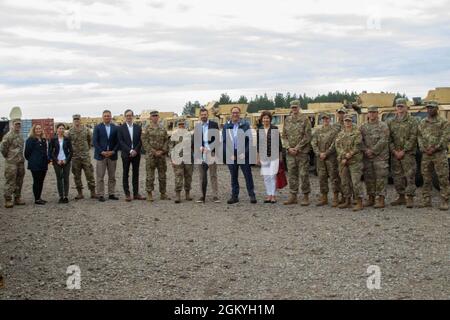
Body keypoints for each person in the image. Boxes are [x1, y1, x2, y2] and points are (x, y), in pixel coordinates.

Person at [417, 101, 450, 210]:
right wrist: (423, 148)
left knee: (443, 178)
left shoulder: (443, 122)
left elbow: (446, 137)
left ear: (437, 109)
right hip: (426, 154)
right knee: (426, 178)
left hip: (439, 154)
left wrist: (435, 148)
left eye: (432, 108)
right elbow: (419, 137)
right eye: (428, 108)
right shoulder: (423, 122)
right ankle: (426, 200)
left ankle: (445, 201)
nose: (430, 110)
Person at [222, 106, 257, 204]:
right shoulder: (226, 126)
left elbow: (249, 141)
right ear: (231, 114)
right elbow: (224, 142)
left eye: (237, 112)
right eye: (233, 112)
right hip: (231, 155)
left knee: (248, 175)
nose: (235, 114)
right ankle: (234, 196)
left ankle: (252, 195)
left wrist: (244, 153)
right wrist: (230, 154)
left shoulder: (245, 125)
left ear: (240, 114)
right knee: (234, 176)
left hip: (243, 155)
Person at [387, 98, 418, 208]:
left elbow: (413, 137)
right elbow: (388, 138)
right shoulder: (390, 121)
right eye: (398, 106)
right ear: (396, 107)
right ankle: (401, 196)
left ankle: (409, 197)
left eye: (402, 106)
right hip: (395, 154)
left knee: (410, 175)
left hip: (407, 154)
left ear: (406, 107)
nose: (400, 108)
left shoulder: (413, 121)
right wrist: (394, 151)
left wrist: (404, 150)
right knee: (397, 176)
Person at [281, 100, 312, 206]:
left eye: (296, 107)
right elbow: (284, 136)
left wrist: (297, 148)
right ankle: (293, 196)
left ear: (299, 107)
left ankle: (305, 196)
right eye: (292, 107)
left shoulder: (305, 119)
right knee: (292, 174)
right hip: (290, 153)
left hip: (302, 152)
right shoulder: (287, 120)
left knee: (304, 174)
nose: (294, 109)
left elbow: (307, 136)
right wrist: (289, 147)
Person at [360, 106, 390, 208]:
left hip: (380, 157)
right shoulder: (363, 126)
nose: (372, 114)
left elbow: (384, 140)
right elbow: (360, 140)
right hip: (367, 157)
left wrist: (372, 151)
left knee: (381, 177)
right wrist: (366, 150)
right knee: (369, 178)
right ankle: (371, 198)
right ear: (367, 114)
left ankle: (381, 200)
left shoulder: (383, 126)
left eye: (374, 112)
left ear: (377, 113)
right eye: (370, 112)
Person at [335, 114, 364, 211]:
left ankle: (359, 202)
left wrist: (349, 155)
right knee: (344, 182)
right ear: (343, 122)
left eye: (349, 121)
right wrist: (344, 156)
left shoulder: (357, 133)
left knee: (356, 182)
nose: (347, 122)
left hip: (354, 161)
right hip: (343, 161)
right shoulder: (341, 133)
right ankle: (347, 200)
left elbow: (357, 146)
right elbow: (337, 146)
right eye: (345, 121)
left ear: (352, 121)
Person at [311, 113, 340, 207]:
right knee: (322, 177)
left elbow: (335, 143)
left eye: (327, 119)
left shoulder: (334, 131)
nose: (325, 120)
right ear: (321, 120)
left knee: (334, 177)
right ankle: (324, 197)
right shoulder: (318, 131)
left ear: (330, 120)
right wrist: (319, 153)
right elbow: (313, 143)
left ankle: (336, 197)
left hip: (331, 157)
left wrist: (326, 153)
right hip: (320, 158)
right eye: (323, 119)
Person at [118, 109, 146, 202]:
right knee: (125, 174)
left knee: (135, 174)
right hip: (126, 154)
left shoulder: (138, 127)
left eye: (130, 115)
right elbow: (121, 142)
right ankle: (127, 194)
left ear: (133, 116)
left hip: (136, 154)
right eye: (127, 115)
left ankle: (136, 193)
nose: (129, 117)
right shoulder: (121, 128)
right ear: (125, 117)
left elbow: (140, 141)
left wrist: (135, 150)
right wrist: (130, 150)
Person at [142, 110, 170, 201]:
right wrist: (153, 151)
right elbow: (144, 141)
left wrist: (162, 151)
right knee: (150, 176)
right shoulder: (146, 128)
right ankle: (149, 193)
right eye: (153, 116)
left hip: (161, 155)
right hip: (151, 156)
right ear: (150, 118)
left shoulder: (163, 128)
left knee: (162, 176)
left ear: (158, 117)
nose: (154, 117)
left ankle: (163, 193)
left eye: (156, 115)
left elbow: (167, 140)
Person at [194, 107, 220, 203]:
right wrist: (199, 147)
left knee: (213, 175)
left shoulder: (214, 125)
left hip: (211, 153)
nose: (204, 116)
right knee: (201, 175)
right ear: (200, 116)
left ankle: (215, 196)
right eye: (202, 115)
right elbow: (195, 140)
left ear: (208, 115)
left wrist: (209, 149)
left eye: (205, 114)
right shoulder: (197, 126)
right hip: (200, 154)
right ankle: (202, 196)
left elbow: (217, 139)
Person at [68, 114, 96, 200]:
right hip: (75, 157)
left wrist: (87, 148)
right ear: (73, 120)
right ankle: (80, 193)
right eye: (75, 119)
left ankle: (93, 192)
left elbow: (91, 140)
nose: (76, 121)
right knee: (77, 175)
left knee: (89, 174)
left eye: (78, 119)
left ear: (80, 120)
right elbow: (68, 143)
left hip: (85, 156)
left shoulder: (86, 130)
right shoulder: (70, 131)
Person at [93, 110, 119, 202]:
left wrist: (113, 151)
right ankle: (100, 194)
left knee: (112, 176)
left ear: (111, 117)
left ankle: (111, 193)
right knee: (100, 177)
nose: (107, 117)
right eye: (105, 116)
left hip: (112, 155)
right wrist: (101, 152)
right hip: (101, 156)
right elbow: (95, 142)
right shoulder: (97, 127)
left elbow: (118, 141)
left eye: (108, 116)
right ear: (102, 117)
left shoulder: (115, 128)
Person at [256, 111, 282, 203]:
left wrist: (280, 157)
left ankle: (273, 195)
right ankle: (268, 195)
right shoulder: (259, 130)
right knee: (266, 176)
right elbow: (258, 144)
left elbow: (279, 144)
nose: (265, 119)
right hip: (264, 156)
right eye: (264, 118)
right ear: (262, 119)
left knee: (272, 175)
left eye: (267, 118)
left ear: (270, 119)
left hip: (274, 156)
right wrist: (258, 157)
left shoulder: (275, 128)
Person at [0, 118, 25, 208]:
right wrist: (8, 157)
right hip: (11, 163)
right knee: (10, 181)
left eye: (19, 124)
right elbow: (3, 149)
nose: (18, 125)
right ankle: (8, 199)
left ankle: (17, 197)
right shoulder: (8, 136)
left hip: (20, 162)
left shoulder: (20, 135)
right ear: (12, 125)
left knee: (19, 181)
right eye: (16, 124)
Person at [170, 118, 194, 203]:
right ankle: (178, 195)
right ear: (177, 125)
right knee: (178, 176)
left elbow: (192, 146)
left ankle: (187, 193)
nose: (181, 126)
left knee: (188, 176)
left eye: (183, 124)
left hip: (188, 158)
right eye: (180, 124)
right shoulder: (174, 134)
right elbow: (171, 147)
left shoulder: (189, 134)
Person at [24, 124, 48, 205]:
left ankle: (39, 197)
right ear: (34, 130)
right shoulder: (30, 140)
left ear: (41, 130)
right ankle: (37, 199)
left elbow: (45, 152)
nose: (38, 130)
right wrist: (32, 160)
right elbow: (26, 153)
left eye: (40, 128)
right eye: (36, 129)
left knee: (41, 181)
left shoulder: (43, 139)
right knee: (36, 181)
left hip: (43, 164)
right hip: (35, 165)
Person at [49, 123, 73, 203]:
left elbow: (71, 151)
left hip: (66, 161)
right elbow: (50, 152)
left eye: (63, 128)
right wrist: (56, 160)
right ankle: (61, 196)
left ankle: (66, 196)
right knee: (59, 179)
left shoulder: (67, 139)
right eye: (60, 128)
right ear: (57, 129)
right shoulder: (53, 139)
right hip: (57, 162)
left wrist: (66, 160)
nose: (61, 130)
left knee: (66, 179)